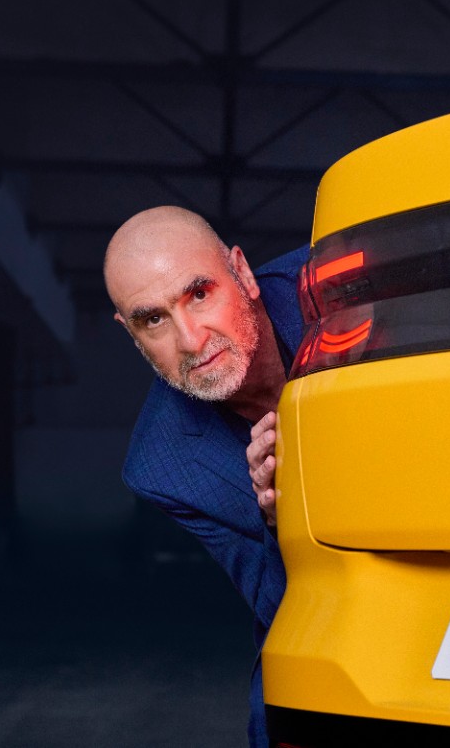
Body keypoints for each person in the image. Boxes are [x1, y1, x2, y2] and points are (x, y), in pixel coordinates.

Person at [104, 206, 305, 748]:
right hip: (337, 588)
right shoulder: (161, 466)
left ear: (243, 274)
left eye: (199, 293)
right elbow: (279, 605)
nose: (191, 340)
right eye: (153, 320)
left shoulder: (335, 286)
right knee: (275, 716)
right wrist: (281, 518)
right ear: (131, 334)